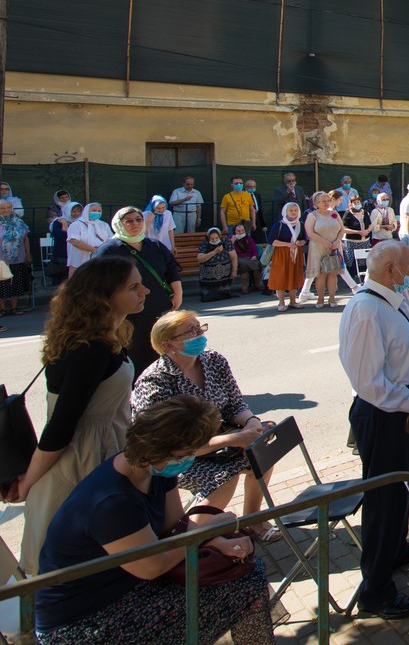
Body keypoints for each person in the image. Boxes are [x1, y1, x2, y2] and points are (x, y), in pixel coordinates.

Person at [33, 395, 274, 645]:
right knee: (246, 584)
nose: (190, 459)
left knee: (247, 573)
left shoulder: (156, 468)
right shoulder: (113, 501)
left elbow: (174, 524)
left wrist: (217, 541)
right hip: (83, 622)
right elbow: (153, 566)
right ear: (157, 447)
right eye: (186, 453)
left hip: (125, 589)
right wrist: (207, 532)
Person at [11, 257, 143, 575]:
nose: (146, 291)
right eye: (134, 286)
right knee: (66, 567)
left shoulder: (106, 339)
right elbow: (61, 427)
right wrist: (29, 482)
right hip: (80, 465)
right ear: (103, 297)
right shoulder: (90, 350)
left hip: (102, 454)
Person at [338, 239, 409, 620]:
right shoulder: (365, 309)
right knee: (382, 502)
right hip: (386, 414)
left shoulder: (390, 300)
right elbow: (369, 383)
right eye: (407, 266)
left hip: (401, 412)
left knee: (397, 494)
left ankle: (394, 550)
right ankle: (375, 590)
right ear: (389, 269)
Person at [130, 311, 277, 533]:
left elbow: (234, 403)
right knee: (225, 477)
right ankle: (186, 538)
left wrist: (252, 423)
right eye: (191, 331)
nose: (199, 334)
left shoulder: (213, 360)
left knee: (261, 454)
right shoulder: (155, 382)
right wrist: (235, 438)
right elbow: (164, 448)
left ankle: (251, 520)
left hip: (219, 445)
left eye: (200, 328)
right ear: (168, 345)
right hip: (177, 459)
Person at [96, 207, 183, 378]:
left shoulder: (155, 245)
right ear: (118, 224)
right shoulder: (109, 249)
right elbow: (97, 281)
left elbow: (171, 269)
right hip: (127, 315)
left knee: (158, 354)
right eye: (129, 221)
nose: (135, 223)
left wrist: (177, 292)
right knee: (132, 356)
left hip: (157, 309)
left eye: (139, 219)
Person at [303, 190, 345, 308]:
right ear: (316, 203)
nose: (326, 203)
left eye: (328, 200)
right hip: (318, 247)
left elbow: (342, 229)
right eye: (323, 201)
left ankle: (332, 298)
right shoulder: (312, 215)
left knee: (332, 273)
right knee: (321, 274)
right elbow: (310, 233)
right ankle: (320, 298)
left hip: (334, 247)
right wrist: (326, 243)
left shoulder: (334, 214)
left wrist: (337, 241)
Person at [267, 202, 307, 311]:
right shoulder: (279, 224)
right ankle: (281, 302)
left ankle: (293, 301)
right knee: (281, 276)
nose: (293, 212)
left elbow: (305, 239)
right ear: (285, 212)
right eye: (291, 210)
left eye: (295, 210)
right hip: (281, 254)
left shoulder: (300, 224)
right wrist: (288, 244)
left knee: (294, 275)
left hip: (296, 254)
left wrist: (301, 242)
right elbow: (272, 241)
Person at [0, 199, 33, 320]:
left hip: (18, 257)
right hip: (1, 259)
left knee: (17, 282)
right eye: (3, 208)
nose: (6, 210)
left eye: (8, 207)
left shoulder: (18, 222)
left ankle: (15, 307)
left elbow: (25, 239)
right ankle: (2, 308)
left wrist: (28, 254)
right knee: (1, 283)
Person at [64, 201, 109, 272]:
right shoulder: (76, 225)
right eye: (94, 210)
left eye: (99, 211)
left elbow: (110, 239)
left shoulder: (104, 225)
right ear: (86, 211)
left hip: (100, 261)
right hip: (80, 262)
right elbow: (74, 241)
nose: (97, 212)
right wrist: (95, 250)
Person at [196, 227, 237, 302]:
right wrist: (214, 252)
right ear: (208, 238)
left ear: (219, 236)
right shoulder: (205, 244)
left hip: (224, 277)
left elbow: (234, 257)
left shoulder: (226, 242)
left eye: (216, 238)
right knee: (207, 297)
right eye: (212, 239)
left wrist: (234, 271)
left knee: (222, 294)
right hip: (208, 278)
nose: (214, 240)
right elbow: (199, 259)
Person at [230, 221, 262, 294]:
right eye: (238, 231)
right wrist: (232, 242)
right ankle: (244, 287)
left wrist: (254, 256)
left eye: (242, 230)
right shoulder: (231, 239)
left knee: (257, 264)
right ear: (234, 231)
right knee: (244, 266)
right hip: (238, 258)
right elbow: (228, 250)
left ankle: (257, 285)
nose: (241, 232)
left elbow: (254, 249)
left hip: (249, 257)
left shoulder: (248, 238)